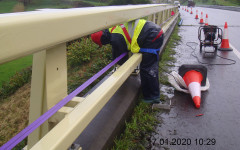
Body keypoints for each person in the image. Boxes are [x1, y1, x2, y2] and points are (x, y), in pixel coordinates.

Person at [91, 19, 164, 104]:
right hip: (154, 32)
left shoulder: (115, 37)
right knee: (149, 67)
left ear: (102, 40)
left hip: (152, 35)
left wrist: (119, 70)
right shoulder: (113, 29)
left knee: (148, 69)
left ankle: (152, 98)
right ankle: (151, 95)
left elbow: (121, 57)